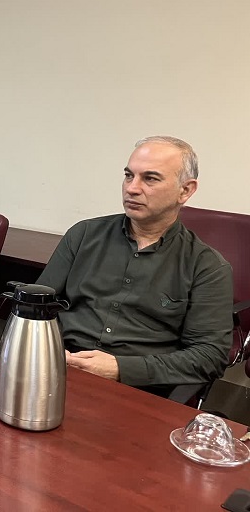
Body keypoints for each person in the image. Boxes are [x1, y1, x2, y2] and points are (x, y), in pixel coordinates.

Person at [37, 136, 233, 398]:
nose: (132, 188)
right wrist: (46, 349)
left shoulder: (206, 266)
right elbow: (35, 304)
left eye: (150, 179)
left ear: (185, 190)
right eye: (129, 176)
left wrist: (121, 369)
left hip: (138, 388)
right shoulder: (83, 235)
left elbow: (209, 356)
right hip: (60, 367)